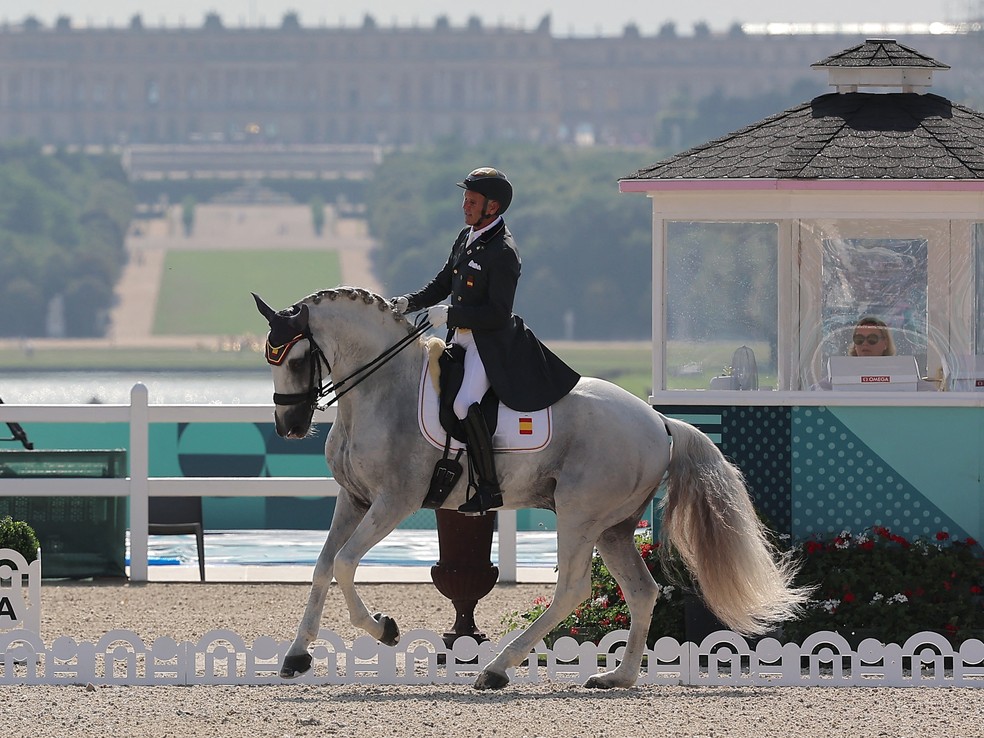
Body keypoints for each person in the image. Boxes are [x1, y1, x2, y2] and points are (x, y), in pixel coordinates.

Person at [391, 167, 580, 513]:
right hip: (459, 339)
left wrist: (450, 315)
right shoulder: (466, 237)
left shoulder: (504, 252)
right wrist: (411, 302)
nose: (465, 204)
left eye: (471, 200)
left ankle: (489, 488)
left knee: (464, 404)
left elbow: (497, 313)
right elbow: (442, 282)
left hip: (489, 346)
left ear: (492, 207)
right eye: (465, 198)